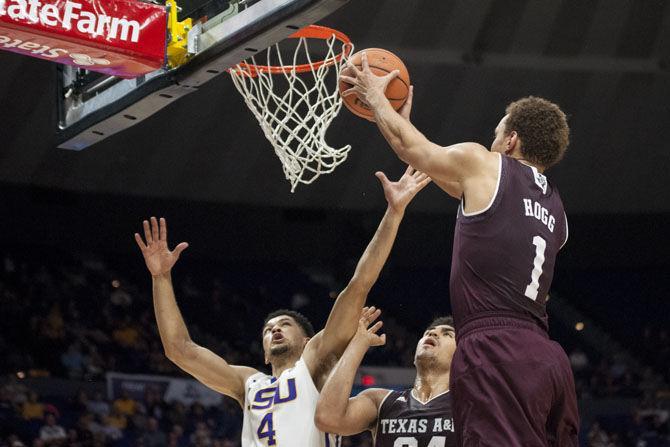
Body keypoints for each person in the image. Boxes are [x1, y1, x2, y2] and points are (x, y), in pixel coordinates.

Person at [341, 55, 579, 446]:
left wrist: (375, 97)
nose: (492, 141)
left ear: (511, 139)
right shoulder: (557, 209)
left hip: (495, 348)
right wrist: (397, 121)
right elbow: (437, 169)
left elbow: (409, 149)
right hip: (547, 356)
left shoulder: (484, 164)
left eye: (496, 133)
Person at [134, 167, 430, 446]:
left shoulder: (314, 361)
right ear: (263, 351)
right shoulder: (247, 382)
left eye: (284, 325)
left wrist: (393, 212)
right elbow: (179, 349)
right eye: (267, 330)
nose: (274, 330)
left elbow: (358, 285)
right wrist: (161, 277)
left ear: (306, 340)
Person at [315, 310, 457, 446]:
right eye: (428, 333)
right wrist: (358, 344)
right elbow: (328, 418)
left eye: (447, 334)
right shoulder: (381, 401)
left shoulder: (468, 404)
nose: (432, 333)